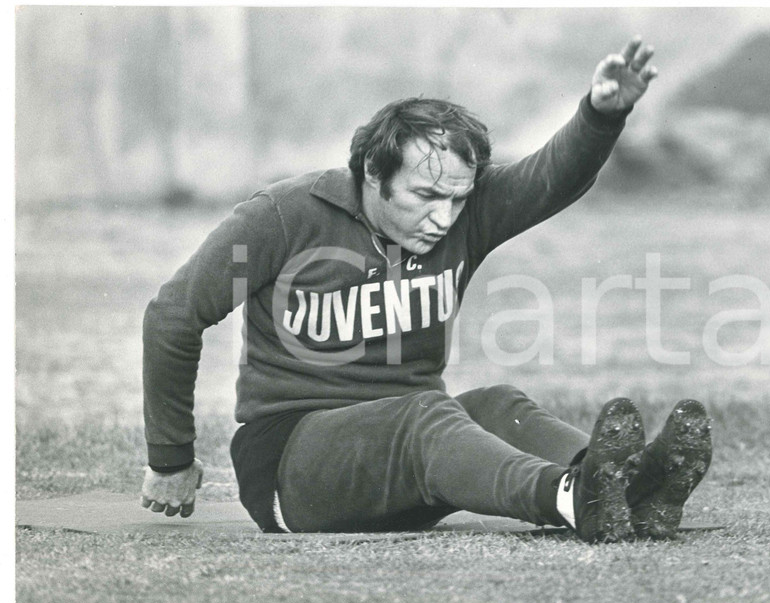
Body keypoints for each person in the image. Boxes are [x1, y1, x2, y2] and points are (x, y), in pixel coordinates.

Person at [140, 36, 712, 542]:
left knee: (496, 405)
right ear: (371, 173)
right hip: (292, 464)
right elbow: (173, 316)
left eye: (459, 199)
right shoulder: (284, 217)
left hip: (408, 459)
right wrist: (170, 458)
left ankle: (633, 487)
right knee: (425, 415)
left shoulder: (463, 216)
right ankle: (572, 498)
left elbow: (548, 177)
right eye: (425, 197)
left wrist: (600, 114)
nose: (444, 217)